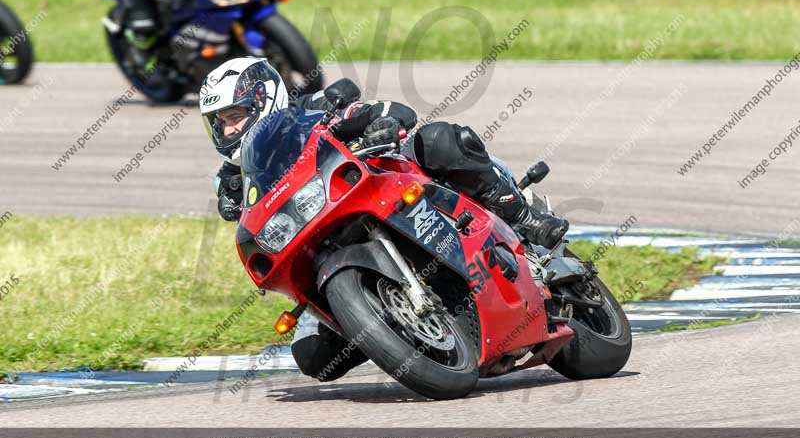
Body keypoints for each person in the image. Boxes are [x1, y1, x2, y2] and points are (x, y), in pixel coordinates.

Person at [200, 57, 569, 382]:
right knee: (312, 357)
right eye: (220, 122)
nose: (228, 130)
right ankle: (387, 325)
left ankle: (523, 217)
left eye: (236, 116)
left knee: (439, 139)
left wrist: (381, 124)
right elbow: (243, 217)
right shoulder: (232, 180)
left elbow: (394, 111)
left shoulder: (316, 108)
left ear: (264, 99)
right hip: (319, 242)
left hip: (383, 188)